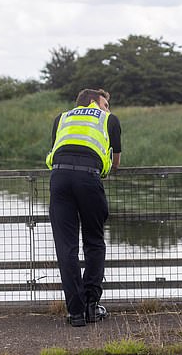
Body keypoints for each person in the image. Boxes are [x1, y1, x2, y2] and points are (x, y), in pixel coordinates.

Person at [46, 88, 122, 327]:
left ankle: (76, 312)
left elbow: (54, 149)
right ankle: (91, 306)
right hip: (88, 179)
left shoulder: (61, 118)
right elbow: (115, 162)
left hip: (59, 179)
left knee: (66, 247)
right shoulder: (109, 119)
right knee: (94, 241)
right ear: (92, 102)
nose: (107, 109)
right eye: (105, 104)